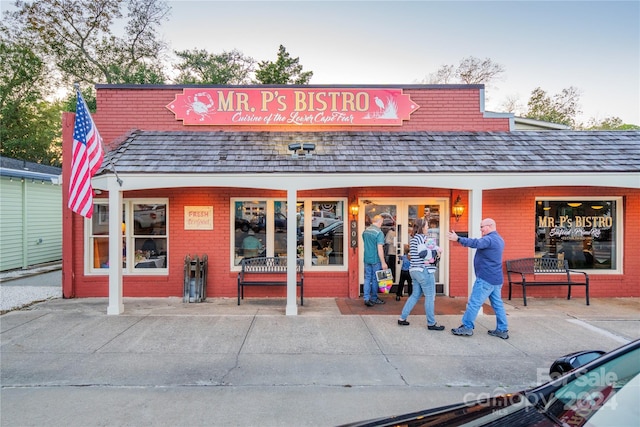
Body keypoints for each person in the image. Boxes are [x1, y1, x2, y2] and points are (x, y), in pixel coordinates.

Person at [448, 218, 509, 339]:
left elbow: (475, 243)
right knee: (497, 305)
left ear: (490, 226)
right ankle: (502, 329)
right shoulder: (499, 239)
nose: (480, 229)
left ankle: (467, 327)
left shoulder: (489, 239)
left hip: (486, 278)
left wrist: (458, 239)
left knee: (474, 303)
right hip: (496, 279)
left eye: (482, 227)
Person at [397, 218, 445, 330]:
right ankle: (431, 323)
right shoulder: (423, 238)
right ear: (422, 227)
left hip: (413, 270)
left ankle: (402, 318)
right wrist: (435, 252)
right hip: (424, 271)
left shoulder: (413, 238)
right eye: (427, 225)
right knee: (430, 296)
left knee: (415, 295)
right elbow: (424, 254)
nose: (428, 227)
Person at [362, 214, 388, 307]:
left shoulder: (366, 231)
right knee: (375, 279)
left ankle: (366, 298)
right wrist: (383, 262)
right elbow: (380, 248)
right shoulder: (379, 233)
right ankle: (374, 298)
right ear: (379, 221)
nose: (382, 224)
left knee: (367, 278)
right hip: (375, 259)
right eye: (381, 222)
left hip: (366, 258)